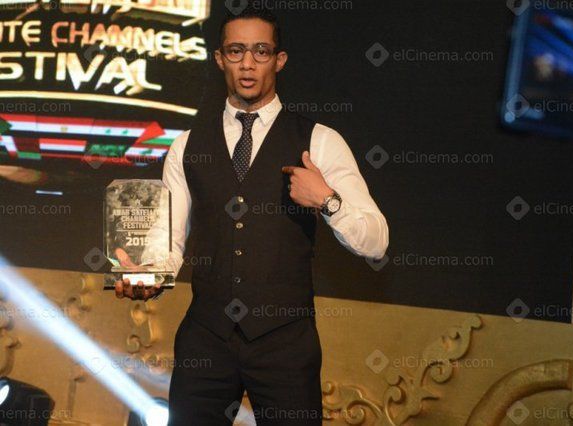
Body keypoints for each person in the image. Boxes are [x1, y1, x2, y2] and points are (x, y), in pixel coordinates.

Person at [114, 6, 389, 425]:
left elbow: (377, 241)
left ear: (279, 60)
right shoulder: (186, 145)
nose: (247, 63)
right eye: (236, 51)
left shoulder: (320, 141)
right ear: (219, 58)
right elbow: (168, 244)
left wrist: (327, 200)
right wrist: (149, 278)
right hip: (206, 340)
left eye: (261, 51)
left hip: (285, 344)